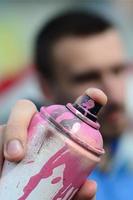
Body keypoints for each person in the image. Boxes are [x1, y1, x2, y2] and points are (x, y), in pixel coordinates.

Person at [0, 10, 132, 199]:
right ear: (45, 86)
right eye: (87, 77)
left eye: (118, 70)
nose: (112, 94)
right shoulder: (23, 169)